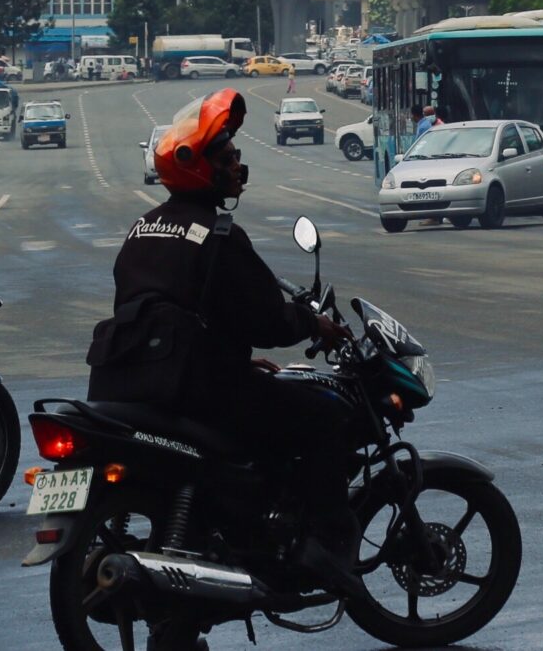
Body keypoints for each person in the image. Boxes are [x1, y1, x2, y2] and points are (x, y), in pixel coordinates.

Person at [88, 89, 356, 582]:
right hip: (191, 390)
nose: (237, 165)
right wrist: (313, 323)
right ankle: (325, 548)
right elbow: (266, 319)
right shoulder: (220, 234)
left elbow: (172, 309)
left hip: (131, 382)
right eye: (228, 157)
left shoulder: (143, 228)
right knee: (326, 416)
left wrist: (231, 358)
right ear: (200, 168)